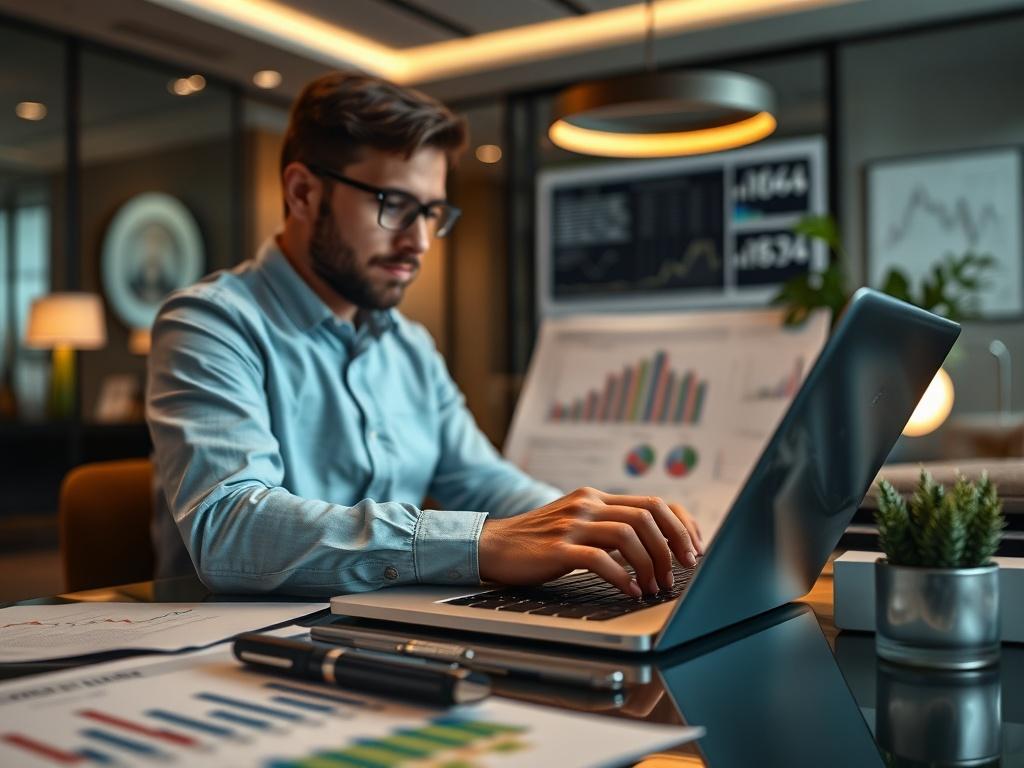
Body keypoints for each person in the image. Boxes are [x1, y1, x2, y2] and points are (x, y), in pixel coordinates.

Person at [147, 72, 702, 599]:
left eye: (432, 213)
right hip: (233, 645)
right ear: (302, 193)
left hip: (384, 625)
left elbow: (486, 483)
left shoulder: (408, 347)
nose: (420, 242)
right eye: (395, 206)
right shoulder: (210, 322)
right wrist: (478, 543)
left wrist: (601, 530)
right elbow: (230, 526)